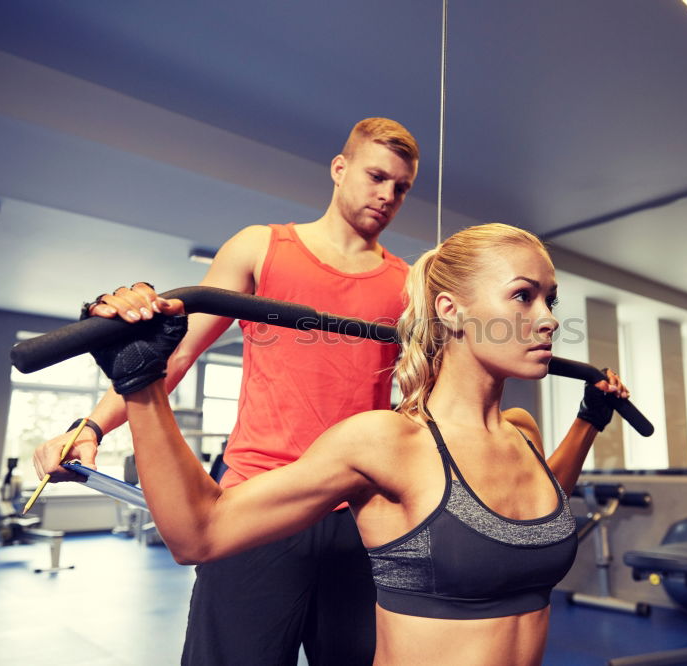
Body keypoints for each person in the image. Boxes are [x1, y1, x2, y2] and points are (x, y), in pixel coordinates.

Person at [84, 223, 629, 666]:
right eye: (523, 297)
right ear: (449, 310)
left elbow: (537, 505)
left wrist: (587, 420)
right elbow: (198, 534)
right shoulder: (387, 443)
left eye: (550, 300)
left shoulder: (522, 434)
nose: (549, 320)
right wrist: (141, 385)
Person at [32, 117, 420, 665]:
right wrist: (92, 426)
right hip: (258, 502)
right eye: (377, 176)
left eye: (401, 187)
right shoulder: (262, 248)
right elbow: (175, 354)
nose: (387, 195)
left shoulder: (407, 285)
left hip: (359, 514)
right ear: (340, 169)